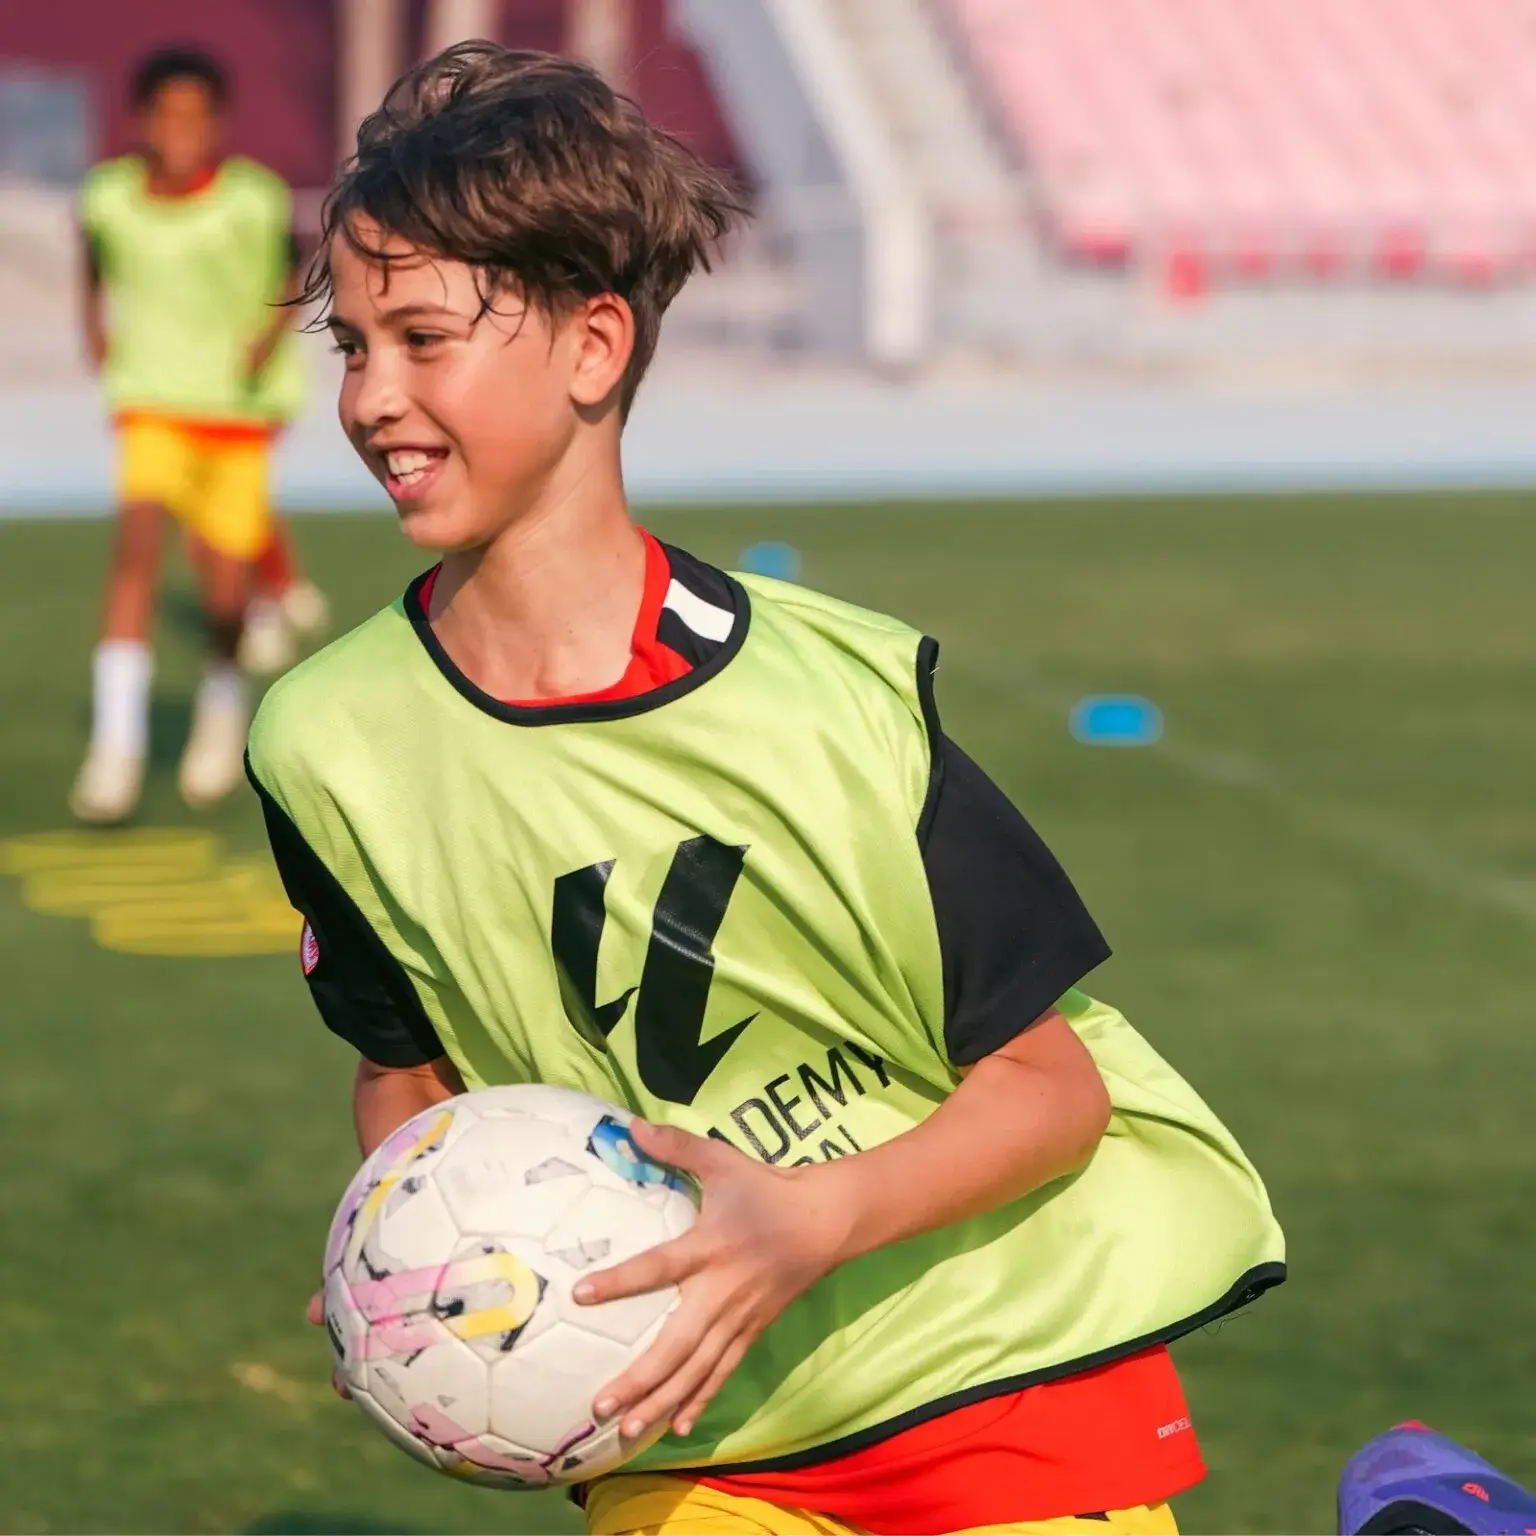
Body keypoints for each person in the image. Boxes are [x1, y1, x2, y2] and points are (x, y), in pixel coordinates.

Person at [248, 44, 1285, 1536]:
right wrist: (417, 1260)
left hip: (996, 1373)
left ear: (595, 347)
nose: (372, 398)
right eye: (351, 345)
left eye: (423, 338)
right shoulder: (324, 742)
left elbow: (1051, 1092)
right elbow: (408, 1070)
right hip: (685, 1418)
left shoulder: (835, 699)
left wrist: (815, 1222)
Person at [72, 46, 325, 822]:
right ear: (142, 120)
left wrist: (267, 340)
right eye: (166, 114)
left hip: (235, 415)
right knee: (137, 552)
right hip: (150, 404)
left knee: (223, 588)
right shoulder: (109, 196)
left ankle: (220, 713)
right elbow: (93, 265)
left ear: (218, 122)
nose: (180, 129)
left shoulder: (252, 198)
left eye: (196, 115)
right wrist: (94, 328)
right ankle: (116, 745)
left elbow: (292, 270)